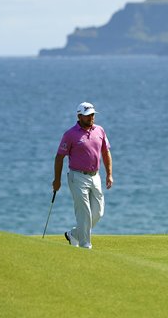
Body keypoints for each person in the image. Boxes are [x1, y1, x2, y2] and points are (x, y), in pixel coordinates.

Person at [52, 102, 113, 249]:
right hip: (77, 177)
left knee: (98, 212)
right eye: (87, 115)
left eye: (92, 114)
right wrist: (57, 180)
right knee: (84, 212)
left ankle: (74, 234)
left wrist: (109, 174)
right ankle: (86, 245)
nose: (91, 117)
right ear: (79, 116)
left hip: (95, 176)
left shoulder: (100, 131)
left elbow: (106, 152)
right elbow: (59, 157)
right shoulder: (70, 134)